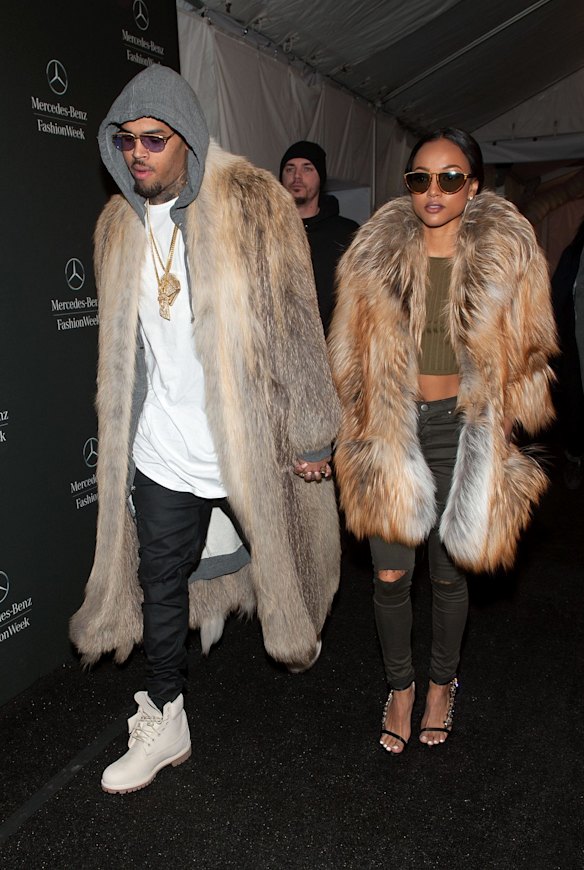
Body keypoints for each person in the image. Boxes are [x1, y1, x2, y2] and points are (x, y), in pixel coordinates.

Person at [70, 65, 341, 793]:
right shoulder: (116, 226)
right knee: (160, 584)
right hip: (165, 450)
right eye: (125, 141)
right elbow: (126, 356)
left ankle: (300, 626)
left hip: (245, 444)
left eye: (153, 138)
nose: (137, 153)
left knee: (290, 567)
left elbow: (295, 325)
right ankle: (167, 713)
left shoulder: (254, 202)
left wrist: (313, 433)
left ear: (186, 136)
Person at [328, 128, 557, 754]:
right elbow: (347, 356)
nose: (434, 191)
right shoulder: (371, 257)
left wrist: (506, 419)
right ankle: (400, 687)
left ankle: (440, 686)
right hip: (391, 427)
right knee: (390, 578)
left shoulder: (508, 255)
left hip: (465, 428)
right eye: (420, 179)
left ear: (473, 185)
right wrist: (344, 429)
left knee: (452, 578)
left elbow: (531, 350)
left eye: (450, 178)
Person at [280, 141, 359, 335]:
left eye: (307, 168)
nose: (296, 176)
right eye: (290, 169)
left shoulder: (346, 233)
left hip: (330, 354)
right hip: (276, 353)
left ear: (320, 178)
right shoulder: (267, 231)